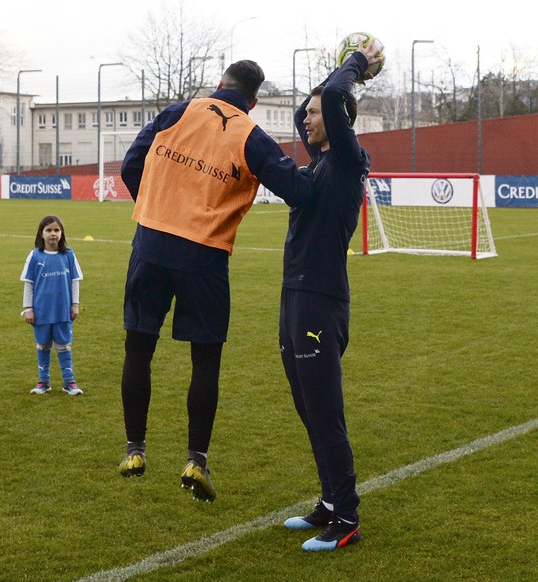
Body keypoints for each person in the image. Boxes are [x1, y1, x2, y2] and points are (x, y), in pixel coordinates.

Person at [118, 60, 316, 502]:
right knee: (204, 360)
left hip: (150, 244)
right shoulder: (250, 134)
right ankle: (196, 459)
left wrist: (156, 208)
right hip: (204, 255)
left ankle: (134, 449)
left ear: (218, 85)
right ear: (254, 99)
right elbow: (298, 191)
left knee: (138, 346)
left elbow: (132, 164)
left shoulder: (177, 112)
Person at [279, 40, 384, 550]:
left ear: (339, 120)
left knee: (324, 410)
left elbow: (336, 96)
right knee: (306, 406)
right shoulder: (318, 160)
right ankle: (328, 501)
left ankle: (347, 518)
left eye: (319, 113)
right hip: (293, 296)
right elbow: (306, 109)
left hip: (321, 299)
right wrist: (327, 82)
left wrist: (357, 63)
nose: (307, 119)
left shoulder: (345, 160)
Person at [20, 215, 84, 396]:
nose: (53, 234)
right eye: (48, 230)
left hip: (62, 310)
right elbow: (29, 283)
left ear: (62, 233)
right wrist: (28, 309)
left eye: (56, 230)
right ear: (41, 233)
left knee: (64, 345)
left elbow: (75, 281)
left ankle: (69, 382)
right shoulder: (34, 255)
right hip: (41, 311)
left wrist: (75, 305)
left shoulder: (68, 254)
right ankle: (44, 381)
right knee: (43, 345)